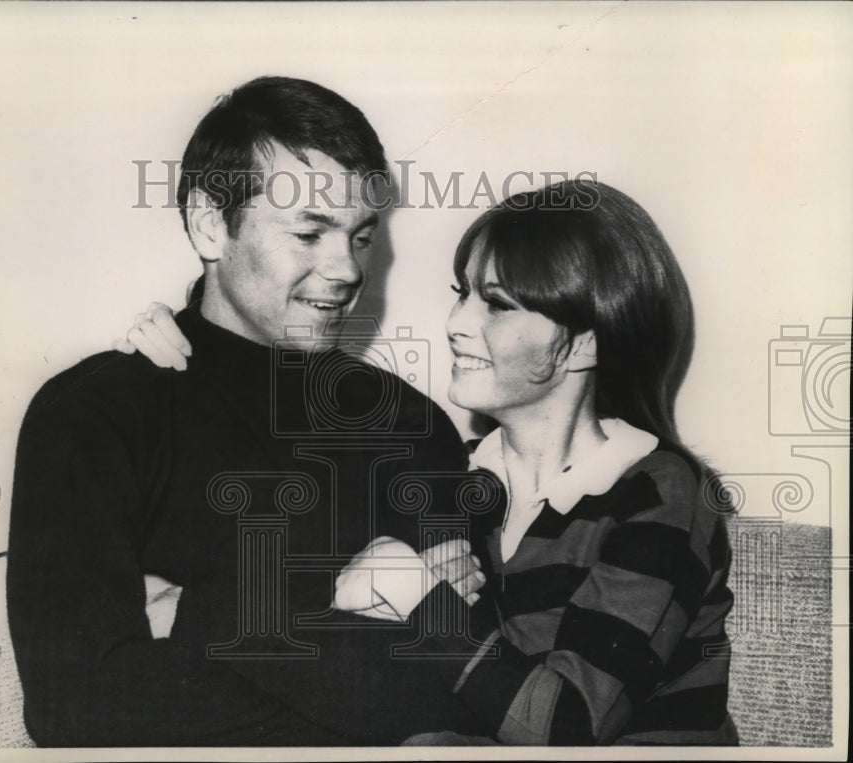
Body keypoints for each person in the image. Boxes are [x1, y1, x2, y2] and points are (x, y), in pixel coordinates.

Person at [125, 179, 738, 745]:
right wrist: (189, 352)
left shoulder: (662, 493)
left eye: (496, 304)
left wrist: (414, 590)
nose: (455, 324)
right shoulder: (455, 478)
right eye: (462, 294)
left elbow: (565, 729)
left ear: (585, 342)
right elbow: (336, 610)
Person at [7, 76, 487, 747]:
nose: (347, 268)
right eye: (310, 231)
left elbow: (475, 694)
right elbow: (77, 705)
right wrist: (348, 611)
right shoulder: (94, 415)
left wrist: (199, 619)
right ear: (210, 223)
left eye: (360, 236)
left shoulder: (412, 422)